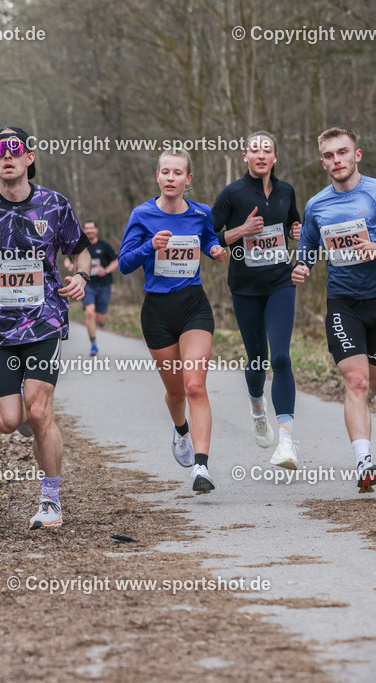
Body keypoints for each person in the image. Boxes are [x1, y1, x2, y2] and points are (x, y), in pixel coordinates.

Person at [0, 126, 90, 529]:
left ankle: (50, 499)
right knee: (8, 421)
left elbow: (80, 253)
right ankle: (28, 419)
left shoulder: (54, 205)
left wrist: (82, 277)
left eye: (16, 150)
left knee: (40, 408)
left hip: (43, 319)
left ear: (29, 158)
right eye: (0, 151)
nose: (8, 156)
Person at [292, 126, 376, 493]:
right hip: (342, 301)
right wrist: (302, 266)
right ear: (323, 162)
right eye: (330, 155)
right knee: (356, 381)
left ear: (357, 155)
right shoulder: (317, 205)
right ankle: (364, 461)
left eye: (343, 152)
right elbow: (307, 247)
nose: (337, 160)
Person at [118, 148, 228, 493]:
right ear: (157, 177)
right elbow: (123, 264)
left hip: (193, 305)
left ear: (188, 179)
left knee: (195, 385)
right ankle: (180, 429)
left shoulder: (201, 213)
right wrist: (150, 246)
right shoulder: (142, 214)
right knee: (176, 391)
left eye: (177, 173)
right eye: (164, 172)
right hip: (157, 312)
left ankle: (201, 467)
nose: (170, 178)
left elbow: (208, 237)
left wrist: (215, 250)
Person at [211, 131, 301, 469]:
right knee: (257, 360)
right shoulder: (232, 194)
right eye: (254, 150)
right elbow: (209, 238)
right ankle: (257, 409)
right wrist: (240, 232)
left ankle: (287, 443)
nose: (261, 155)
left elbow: (294, 222)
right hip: (245, 288)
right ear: (245, 158)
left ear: (275, 157)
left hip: (281, 283)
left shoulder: (286, 190)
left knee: (280, 357)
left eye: (267, 150)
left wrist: (297, 228)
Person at [63, 220, 118, 355]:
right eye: (86, 228)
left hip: (104, 285)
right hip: (88, 285)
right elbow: (68, 259)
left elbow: (116, 260)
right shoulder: (81, 246)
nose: (89, 230)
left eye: (91, 228)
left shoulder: (104, 245)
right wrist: (69, 266)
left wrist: (105, 270)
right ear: (83, 230)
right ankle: (93, 344)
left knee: (100, 319)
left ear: (96, 230)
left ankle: (100, 322)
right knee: (89, 312)